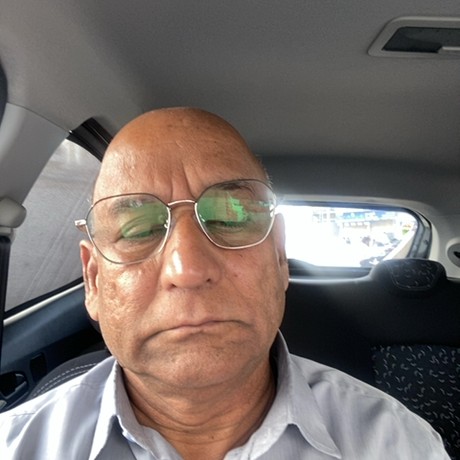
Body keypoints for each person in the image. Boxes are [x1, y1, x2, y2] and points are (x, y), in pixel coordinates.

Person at [0, 108, 450, 459]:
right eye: (139, 229)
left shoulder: (399, 443)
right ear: (94, 280)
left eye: (231, 218)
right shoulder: (16, 446)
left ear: (279, 256)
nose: (187, 269)